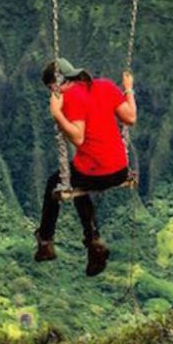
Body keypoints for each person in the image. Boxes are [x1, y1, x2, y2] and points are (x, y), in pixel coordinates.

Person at [35, 58, 137, 276]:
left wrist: (57, 114)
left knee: (57, 182)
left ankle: (46, 242)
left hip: (97, 173)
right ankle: (92, 243)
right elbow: (130, 117)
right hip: (120, 170)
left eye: (50, 89)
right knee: (77, 178)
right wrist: (128, 90)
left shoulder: (69, 97)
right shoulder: (106, 85)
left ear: (55, 85)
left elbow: (79, 137)